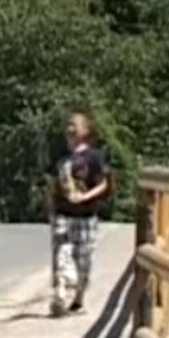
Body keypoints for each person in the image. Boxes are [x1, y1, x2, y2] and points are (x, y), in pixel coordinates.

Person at [46, 111, 110, 317]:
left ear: (86, 130)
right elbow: (54, 184)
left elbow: (104, 184)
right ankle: (59, 294)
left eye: (74, 125)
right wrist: (51, 207)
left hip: (86, 216)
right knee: (61, 254)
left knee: (83, 261)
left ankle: (78, 299)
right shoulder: (61, 158)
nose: (70, 129)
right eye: (68, 125)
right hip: (63, 214)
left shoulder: (95, 157)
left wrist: (85, 197)